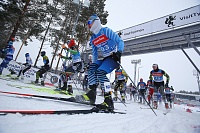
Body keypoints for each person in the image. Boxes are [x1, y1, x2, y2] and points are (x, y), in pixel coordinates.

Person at [71, 14, 124, 111]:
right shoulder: (93, 38)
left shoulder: (106, 31)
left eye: (89, 23)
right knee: (92, 69)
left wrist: (119, 52)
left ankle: (108, 100)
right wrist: (93, 64)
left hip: (113, 58)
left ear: (96, 22)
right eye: (88, 24)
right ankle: (91, 95)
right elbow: (95, 54)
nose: (88, 25)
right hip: (105, 59)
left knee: (100, 72)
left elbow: (120, 41)